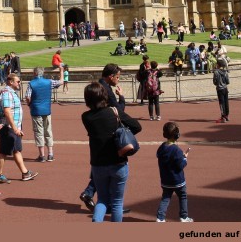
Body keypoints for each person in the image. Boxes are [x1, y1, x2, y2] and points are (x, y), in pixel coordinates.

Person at [81, 81, 142, 222]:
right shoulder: (114, 111)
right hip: (118, 161)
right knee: (117, 202)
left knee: (102, 199)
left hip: (98, 163)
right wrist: (121, 133)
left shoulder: (86, 117)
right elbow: (137, 127)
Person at [0, 73, 38, 183]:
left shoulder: (11, 93)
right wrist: (14, 128)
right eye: (18, 81)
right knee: (4, 152)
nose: (19, 83)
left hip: (14, 127)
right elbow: (7, 111)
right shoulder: (7, 94)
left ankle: (25, 173)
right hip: (8, 127)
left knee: (16, 150)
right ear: (10, 81)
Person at [155, 121, 193, 222]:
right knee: (183, 197)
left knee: (166, 198)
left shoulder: (162, 147)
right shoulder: (176, 150)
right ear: (177, 135)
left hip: (165, 180)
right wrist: (184, 158)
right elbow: (181, 165)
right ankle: (183, 217)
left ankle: (160, 218)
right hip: (178, 181)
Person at [25, 66, 62, 162]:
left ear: (35, 73)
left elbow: (27, 97)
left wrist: (29, 104)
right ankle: (50, 154)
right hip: (46, 110)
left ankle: (42, 155)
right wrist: (61, 71)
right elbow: (61, 82)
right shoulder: (49, 82)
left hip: (36, 110)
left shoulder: (31, 83)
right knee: (48, 131)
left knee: (39, 132)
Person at [213, 57, 230, 123]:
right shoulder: (225, 72)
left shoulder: (216, 72)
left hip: (220, 89)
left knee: (221, 103)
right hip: (225, 88)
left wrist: (218, 83)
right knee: (226, 102)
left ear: (218, 64)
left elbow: (214, 82)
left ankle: (223, 117)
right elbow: (228, 81)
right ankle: (227, 115)